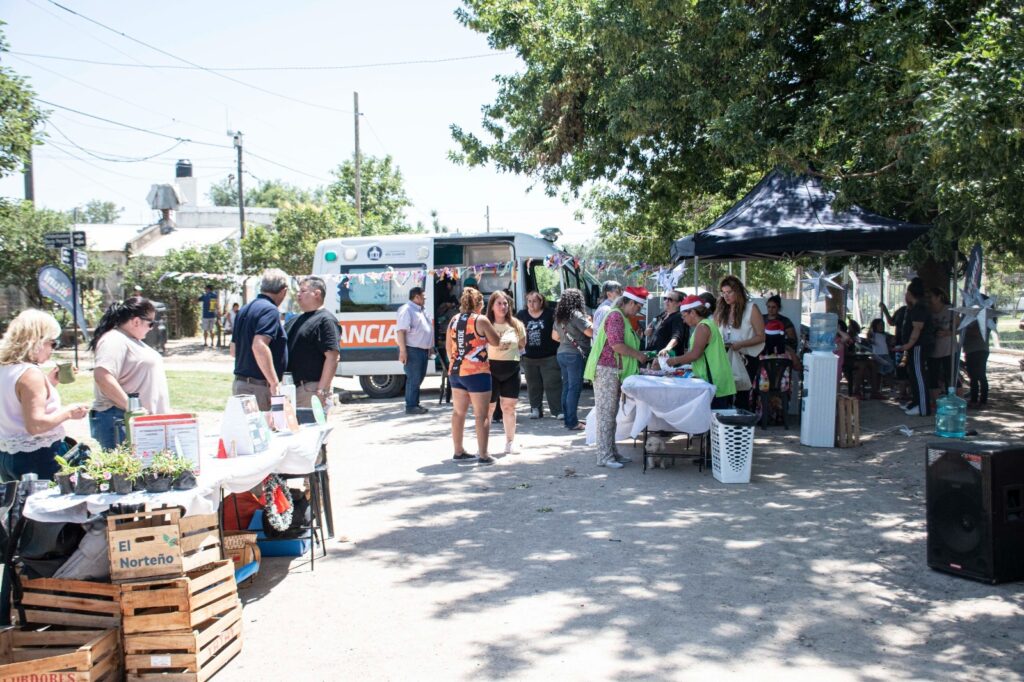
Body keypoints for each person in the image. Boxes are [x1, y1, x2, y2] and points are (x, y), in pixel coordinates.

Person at [0, 310, 88, 480]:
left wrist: (49, 383)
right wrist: (69, 412)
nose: (53, 349)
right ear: (37, 341)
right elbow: (36, 426)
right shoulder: (31, 374)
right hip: (39, 457)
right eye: (52, 343)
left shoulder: (6, 368)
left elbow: (17, 402)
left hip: (8, 456)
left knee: (17, 498)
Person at [88, 296, 171, 449]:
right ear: (136, 321)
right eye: (150, 323)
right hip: (120, 420)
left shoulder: (130, 339)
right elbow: (102, 376)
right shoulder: (114, 340)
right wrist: (132, 408)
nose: (151, 328)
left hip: (134, 421)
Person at [584, 286, 650, 469]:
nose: (638, 311)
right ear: (630, 303)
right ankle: (604, 456)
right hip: (606, 370)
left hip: (612, 370)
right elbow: (617, 345)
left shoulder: (621, 317)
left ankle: (611, 452)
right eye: (638, 307)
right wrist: (638, 355)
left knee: (611, 414)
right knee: (606, 415)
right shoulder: (616, 316)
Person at [447, 288, 502, 464]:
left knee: (458, 412)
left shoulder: (454, 320)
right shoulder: (481, 320)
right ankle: (484, 455)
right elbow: (496, 342)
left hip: (456, 371)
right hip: (477, 372)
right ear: (479, 304)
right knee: (481, 415)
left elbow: (449, 348)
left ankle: (458, 451)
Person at [231, 269, 290, 411]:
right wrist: (274, 382)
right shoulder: (270, 310)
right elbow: (259, 345)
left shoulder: (244, 309)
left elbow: (233, 350)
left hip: (241, 384)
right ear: (284, 291)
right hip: (259, 388)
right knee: (266, 425)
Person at [666, 295, 736, 408]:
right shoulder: (706, 324)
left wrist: (673, 361)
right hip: (716, 379)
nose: (683, 320)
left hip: (714, 381)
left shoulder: (703, 327)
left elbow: (695, 354)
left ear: (693, 312)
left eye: (684, 316)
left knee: (713, 416)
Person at [285, 277, 340, 409]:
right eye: (298, 291)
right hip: (289, 388)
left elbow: (333, 357)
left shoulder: (326, 320)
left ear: (317, 293)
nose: (298, 294)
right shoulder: (294, 320)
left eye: (303, 291)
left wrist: (322, 390)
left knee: (308, 422)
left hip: (310, 389)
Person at [485, 291, 526, 453]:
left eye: (505, 303)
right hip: (490, 370)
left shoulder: (516, 324)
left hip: (511, 370)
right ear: (492, 306)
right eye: (499, 304)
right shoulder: (485, 323)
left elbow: (522, 344)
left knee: (509, 408)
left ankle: (510, 443)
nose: (503, 307)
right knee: (488, 409)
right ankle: (483, 446)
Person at [716, 275, 765, 411]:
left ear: (738, 291)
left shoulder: (751, 308)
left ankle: (741, 422)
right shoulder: (722, 310)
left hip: (746, 358)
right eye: (723, 293)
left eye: (729, 292)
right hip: (726, 356)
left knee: (742, 395)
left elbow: (761, 337)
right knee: (725, 393)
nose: (726, 296)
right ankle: (727, 421)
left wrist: (741, 344)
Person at [516, 291, 562, 419]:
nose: (531, 304)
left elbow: (558, 329)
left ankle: (557, 410)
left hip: (549, 356)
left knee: (552, 384)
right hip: (529, 357)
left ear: (541, 302)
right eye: (529, 301)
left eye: (534, 301)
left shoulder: (550, 313)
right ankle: (535, 409)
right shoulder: (521, 315)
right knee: (533, 385)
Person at [552, 288, 593, 431]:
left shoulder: (559, 316)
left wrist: (567, 340)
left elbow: (554, 337)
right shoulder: (576, 315)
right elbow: (590, 332)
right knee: (574, 388)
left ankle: (568, 419)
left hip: (561, 353)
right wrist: (590, 322)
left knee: (567, 387)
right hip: (575, 355)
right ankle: (572, 422)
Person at [894, 277, 934, 416]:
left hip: (918, 346)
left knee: (919, 376)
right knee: (913, 375)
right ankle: (916, 402)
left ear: (910, 294)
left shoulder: (920, 308)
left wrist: (908, 344)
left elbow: (917, 329)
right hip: (914, 347)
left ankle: (923, 408)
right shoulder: (914, 308)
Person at [395, 287, 433, 415]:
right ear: (416, 297)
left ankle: (415, 404)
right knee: (414, 378)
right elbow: (401, 331)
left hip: (422, 350)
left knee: (419, 378)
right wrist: (403, 351)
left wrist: (429, 346)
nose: (425, 299)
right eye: (423, 297)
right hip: (412, 349)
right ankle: (411, 406)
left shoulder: (421, 310)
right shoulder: (406, 310)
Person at [963, 294, 993, 408]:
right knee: (972, 375)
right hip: (970, 349)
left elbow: (978, 332)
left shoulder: (986, 317)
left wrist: (965, 328)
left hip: (980, 349)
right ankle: (974, 399)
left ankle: (983, 400)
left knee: (980, 375)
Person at [927, 287, 955, 405]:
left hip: (949, 349)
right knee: (933, 376)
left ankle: (954, 401)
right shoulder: (928, 310)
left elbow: (960, 328)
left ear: (939, 297)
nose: (929, 299)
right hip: (933, 349)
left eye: (931, 297)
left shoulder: (950, 309)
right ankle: (935, 402)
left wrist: (948, 333)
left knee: (951, 376)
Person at [645, 290, 688, 356]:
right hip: (652, 355)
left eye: (670, 299)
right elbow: (650, 328)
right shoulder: (663, 315)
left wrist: (667, 349)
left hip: (665, 357)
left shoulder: (678, 317)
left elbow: (676, 337)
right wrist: (647, 331)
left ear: (679, 303)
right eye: (665, 298)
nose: (666, 301)